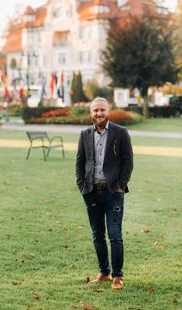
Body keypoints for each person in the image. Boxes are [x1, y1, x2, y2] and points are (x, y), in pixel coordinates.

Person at [76, 97, 133, 290]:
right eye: (95, 111)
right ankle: (104, 272)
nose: (99, 113)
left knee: (115, 235)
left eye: (102, 110)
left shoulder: (121, 133)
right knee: (97, 235)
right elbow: (80, 162)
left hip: (113, 193)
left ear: (108, 111)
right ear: (91, 113)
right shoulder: (84, 134)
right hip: (91, 192)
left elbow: (128, 162)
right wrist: (82, 186)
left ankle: (117, 276)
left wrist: (120, 185)